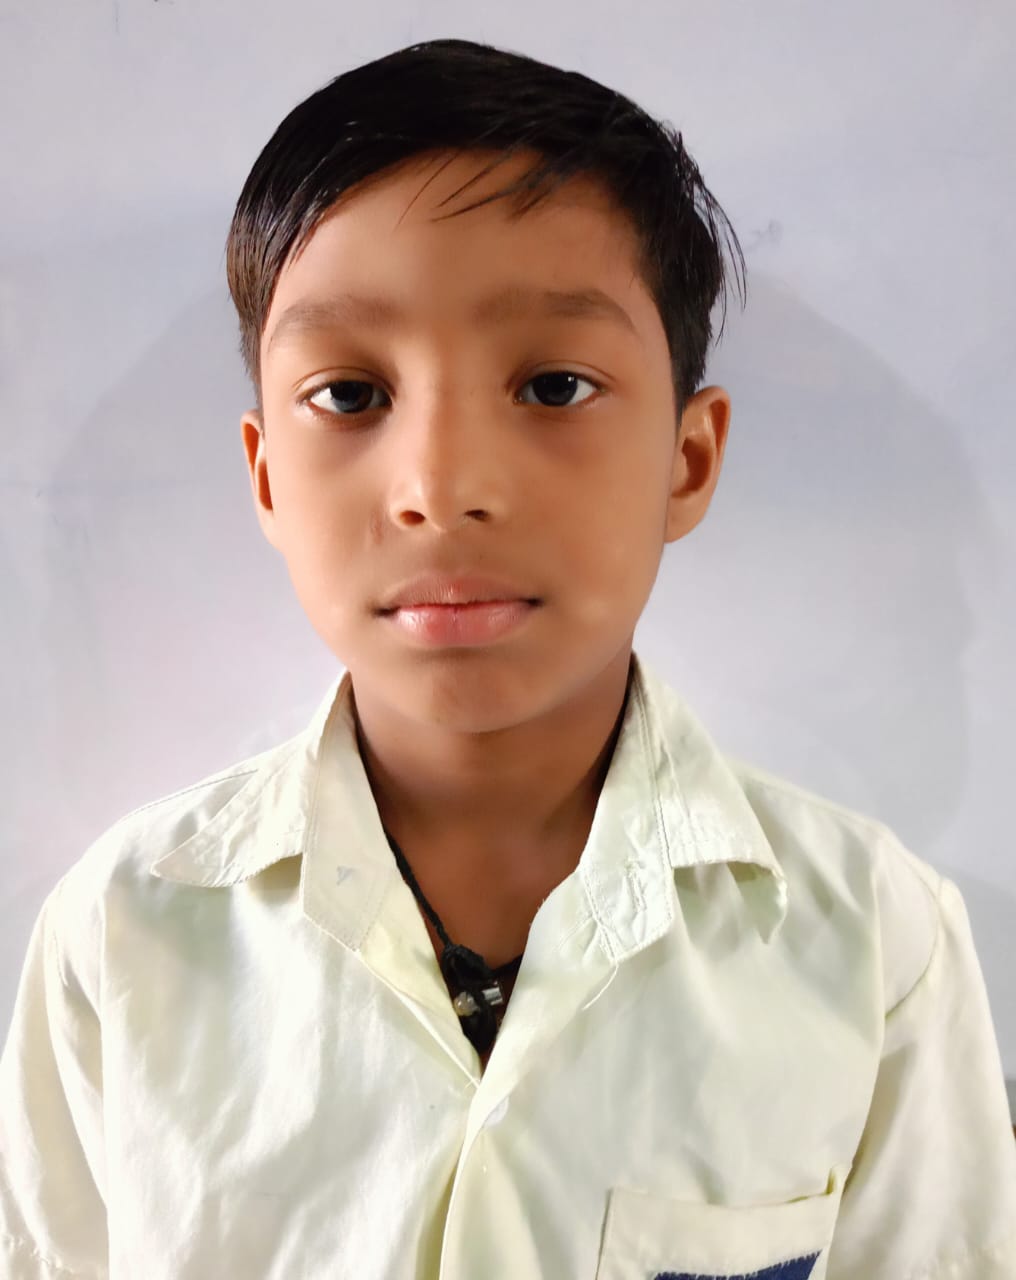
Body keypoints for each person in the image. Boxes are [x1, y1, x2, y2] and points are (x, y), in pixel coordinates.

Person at [1, 36, 1014, 1280]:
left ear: (687, 458)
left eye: (552, 385)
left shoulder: (871, 940)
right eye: (350, 395)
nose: (440, 487)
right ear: (265, 477)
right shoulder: (121, 933)